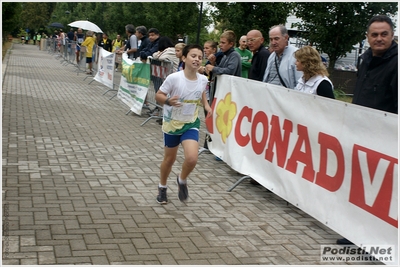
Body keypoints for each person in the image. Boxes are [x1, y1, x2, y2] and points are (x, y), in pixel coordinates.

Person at [154, 44, 212, 204]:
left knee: (192, 158)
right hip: (172, 124)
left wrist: (207, 106)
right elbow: (158, 95)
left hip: (190, 123)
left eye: (200, 57)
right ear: (184, 58)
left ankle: (182, 179)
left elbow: (201, 94)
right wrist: (167, 101)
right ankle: (162, 186)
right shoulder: (174, 78)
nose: (197, 59)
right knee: (169, 160)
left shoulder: (203, 79)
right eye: (193, 56)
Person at [352, 15, 398, 114]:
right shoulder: (364, 61)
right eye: (374, 35)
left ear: (392, 35)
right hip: (358, 124)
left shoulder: (396, 63)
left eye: (384, 34)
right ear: (367, 37)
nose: (379, 39)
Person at [263, 25, 302, 89]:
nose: (273, 42)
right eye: (271, 39)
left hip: (286, 97)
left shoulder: (296, 55)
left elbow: (300, 83)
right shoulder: (271, 56)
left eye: (276, 39)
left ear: (286, 38)